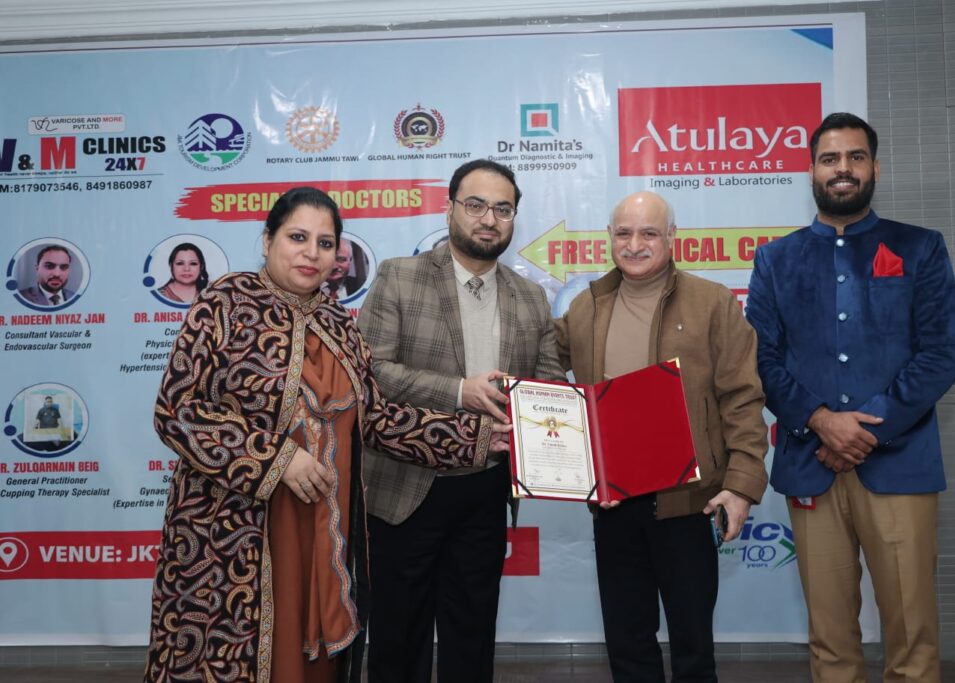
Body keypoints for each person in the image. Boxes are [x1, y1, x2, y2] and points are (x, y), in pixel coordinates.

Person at [144, 187, 510, 683]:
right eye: (297, 237)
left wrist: (474, 437)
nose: (311, 253)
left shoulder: (339, 323)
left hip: (321, 527)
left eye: (325, 243)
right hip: (234, 531)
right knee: (231, 657)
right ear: (268, 239)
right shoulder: (224, 303)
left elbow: (378, 419)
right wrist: (276, 459)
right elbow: (177, 409)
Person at [745, 113, 955, 683]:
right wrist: (820, 420)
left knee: (912, 636)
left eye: (855, 157)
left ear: (875, 168)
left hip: (900, 464)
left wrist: (864, 428)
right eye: (830, 159)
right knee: (830, 639)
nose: (842, 169)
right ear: (811, 171)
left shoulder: (920, 248)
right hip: (809, 462)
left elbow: (941, 354)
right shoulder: (775, 259)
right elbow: (761, 360)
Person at [359, 159, 564, 683]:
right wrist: (458, 391)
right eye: (475, 205)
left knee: (471, 637)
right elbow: (371, 371)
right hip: (406, 485)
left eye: (503, 209)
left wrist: (555, 434)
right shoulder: (399, 276)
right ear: (449, 208)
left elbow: (546, 389)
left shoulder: (531, 297)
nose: (488, 219)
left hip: (486, 488)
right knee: (398, 639)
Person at [555, 191, 768, 682]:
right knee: (627, 645)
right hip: (613, 504)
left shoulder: (712, 302)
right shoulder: (586, 307)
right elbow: (543, 371)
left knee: (693, 649)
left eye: (649, 233)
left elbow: (742, 398)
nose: (634, 244)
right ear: (609, 238)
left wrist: (741, 486)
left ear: (672, 237)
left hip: (688, 504)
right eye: (624, 233)